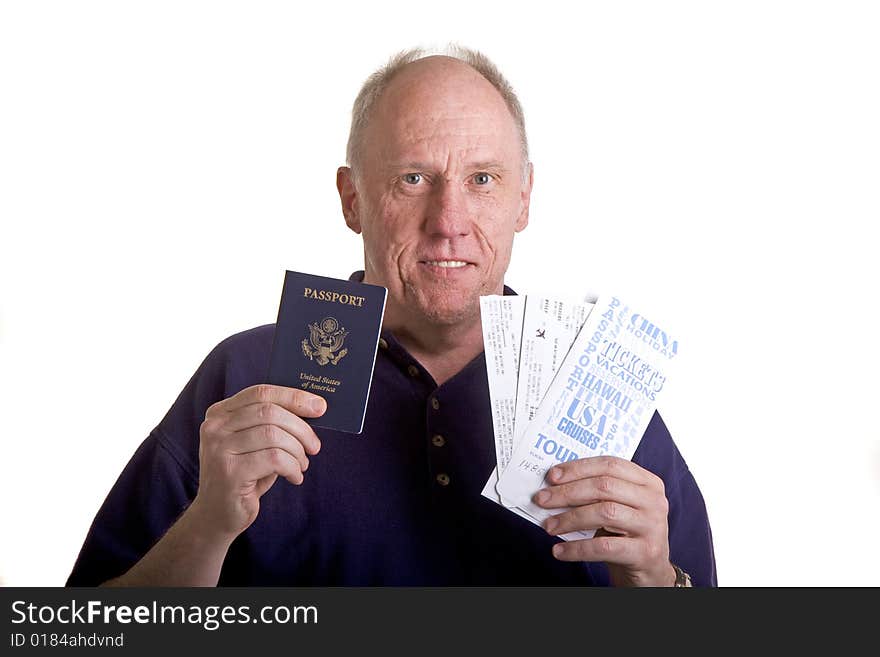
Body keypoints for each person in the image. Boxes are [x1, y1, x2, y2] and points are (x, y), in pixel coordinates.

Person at [67, 46, 717, 587]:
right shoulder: (243, 376)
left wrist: (657, 580)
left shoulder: (602, 393)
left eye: (483, 179)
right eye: (413, 178)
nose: (449, 222)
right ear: (352, 199)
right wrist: (209, 521)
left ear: (524, 200)